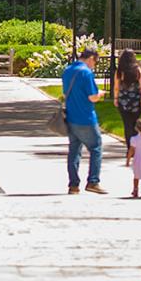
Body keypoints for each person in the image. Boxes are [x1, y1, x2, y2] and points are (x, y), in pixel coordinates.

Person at [62, 48, 108, 195]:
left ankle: (73, 185)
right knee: (96, 148)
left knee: (74, 151)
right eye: (95, 61)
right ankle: (93, 181)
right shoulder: (86, 73)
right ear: (91, 58)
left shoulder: (68, 70)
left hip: (71, 116)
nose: (94, 65)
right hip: (86, 117)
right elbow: (92, 96)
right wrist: (100, 93)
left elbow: (64, 93)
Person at [114, 49, 141, 167]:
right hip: (136, 101)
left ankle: (129, 149)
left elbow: (116, 87)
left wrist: (116, 99)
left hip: (123, 101)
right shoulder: (137, 70)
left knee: (127, 126)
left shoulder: (119, 72)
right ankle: (136, 147)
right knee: (135, 125)